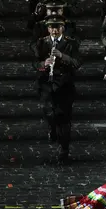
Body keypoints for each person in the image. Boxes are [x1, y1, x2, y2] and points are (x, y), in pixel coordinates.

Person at [32, 14, 81, 163]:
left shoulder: (71, 43)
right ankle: (53, 129)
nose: (54, 31)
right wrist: (43, 64)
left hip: (64, 85)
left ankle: (64, 150)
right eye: (52, 28)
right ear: (48, 29)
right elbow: (35, 63)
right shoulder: (41, 43)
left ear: (62, 28)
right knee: (49, 113)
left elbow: (77, 62)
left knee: (64, 118)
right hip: (47, 84)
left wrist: (62, 56)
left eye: (57, 28)